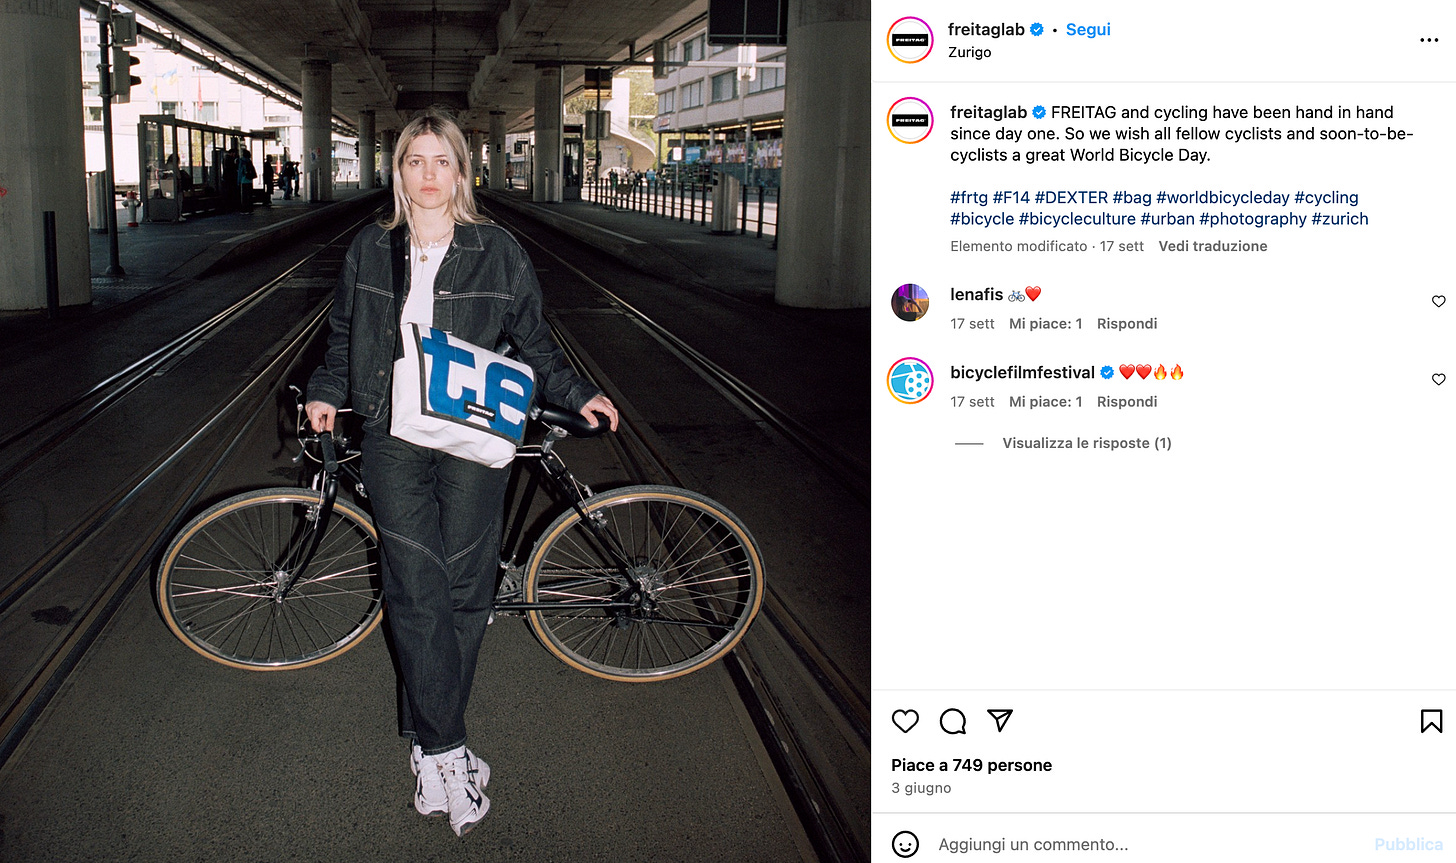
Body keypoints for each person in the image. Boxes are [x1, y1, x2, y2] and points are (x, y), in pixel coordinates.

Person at [304, 107, 618, 838]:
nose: (428, 174)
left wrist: (576, 391)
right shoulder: (371, 247)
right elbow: (345, 333)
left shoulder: (496, 249)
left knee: (467, 586)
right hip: (392, 431)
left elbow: (533, 336)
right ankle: (445, 752)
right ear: (398, 172)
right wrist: (326, 388)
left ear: (460, 172)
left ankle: (427, 737)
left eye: (441, 160)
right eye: (415, 160)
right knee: (416, 586)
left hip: (473, 434)